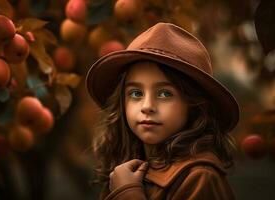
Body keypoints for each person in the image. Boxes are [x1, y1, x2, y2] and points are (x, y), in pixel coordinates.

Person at [85, 22, 240, 200]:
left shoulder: (200, 178)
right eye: (136, 93)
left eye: (165, 93)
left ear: (194, 104)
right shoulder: (124, 172)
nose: (147, 106)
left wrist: (128, 194)